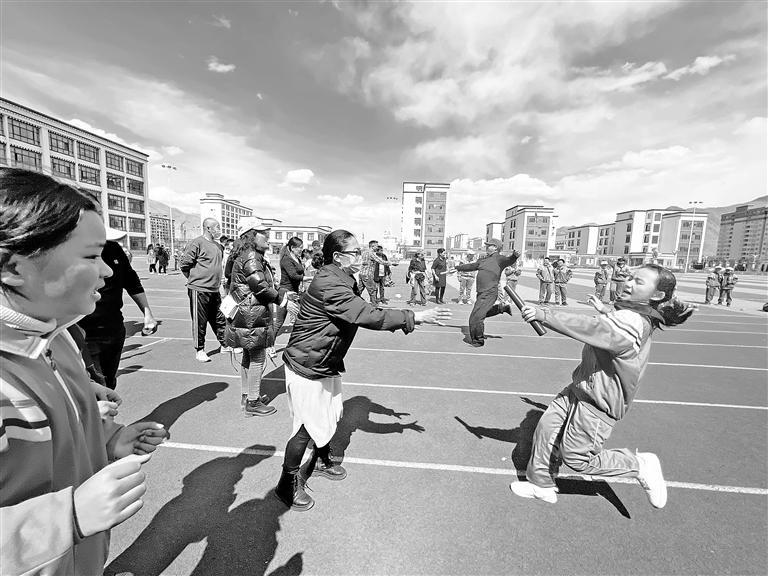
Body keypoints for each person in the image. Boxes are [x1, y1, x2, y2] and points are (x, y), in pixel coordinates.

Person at [0, 168, 168, 575]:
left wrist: (108, 441)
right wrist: (69, 517)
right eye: (92, 256)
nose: (108, 271)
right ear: (13, 267)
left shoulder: (56, 338)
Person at [275, 230, 451, 511]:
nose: (361, 256)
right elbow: (366, 314)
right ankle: (287, 484)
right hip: (307, 362)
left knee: (331, 413)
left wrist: (392, 417)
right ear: (338, 256)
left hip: (324, 360)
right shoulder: (330, 283)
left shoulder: (343, 278)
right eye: (355, 252)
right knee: (307, 425)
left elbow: (365, 308)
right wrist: (414, 317)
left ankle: (320, 461)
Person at [510, 264, 695, 507]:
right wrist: (605, 309)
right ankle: (541, 485)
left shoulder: (633, 321)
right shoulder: (630, 313)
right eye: (630, 277)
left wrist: (544, 315)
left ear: (657, 295)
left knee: (577, 459)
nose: (628, 282)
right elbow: (611, 322)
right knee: (546, 429)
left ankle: (639, 465)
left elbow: (596, 328)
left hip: (598, 403)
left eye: (638, 282)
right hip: (581, 388)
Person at [226, 218, 297, 417]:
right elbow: (259, 285)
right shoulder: (251, 256)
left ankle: (247, 396)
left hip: (245, 312)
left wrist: (281, 293)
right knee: (257, 357)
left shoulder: (243, 254)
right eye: (262, 233)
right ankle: (253, 402)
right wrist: (283, 300)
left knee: (248, 355)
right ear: (251, 235)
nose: (267, 236)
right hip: (251, 314)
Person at [78, 228, 158, 390]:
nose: (106, 272)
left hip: (114, 330)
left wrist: (147, 314)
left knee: (109, 383)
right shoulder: (71, 251)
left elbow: (132, 282)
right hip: (84, 333)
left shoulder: (113, 249)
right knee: (96, 386)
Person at [179, 217, 232, 362]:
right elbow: (184, 264)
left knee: (220, 319)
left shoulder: (218, 246)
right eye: (216, 227)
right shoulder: (197, 243)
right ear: (208, 228)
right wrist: (195, 279)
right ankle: (200, 350)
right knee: (200, 321)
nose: (219, 230)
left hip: (214, 289)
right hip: (199, 289)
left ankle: (224, 344)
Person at [453, 239, 518, 347]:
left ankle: (478, 340)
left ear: (495, 247)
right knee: (479, 314)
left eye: (489, 245)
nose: (486, 247)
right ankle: (501, 308)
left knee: (475, 317)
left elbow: (509, 260)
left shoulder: (499, 258)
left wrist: (514, 256)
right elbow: (472, 266)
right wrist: (457, 268)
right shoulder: (483, 259)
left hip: (490, 291)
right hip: (481, 292)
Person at [359, 240, 396, 307]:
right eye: (376, 246)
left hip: (362, 274)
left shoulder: (364, 252)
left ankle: (353, 302)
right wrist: (391, 263)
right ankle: (374, 305)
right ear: (372, 246)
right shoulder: (371, 253)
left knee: (359, 289)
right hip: (368, 274)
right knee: (372, 290)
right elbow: (380, 261)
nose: (377, 247)